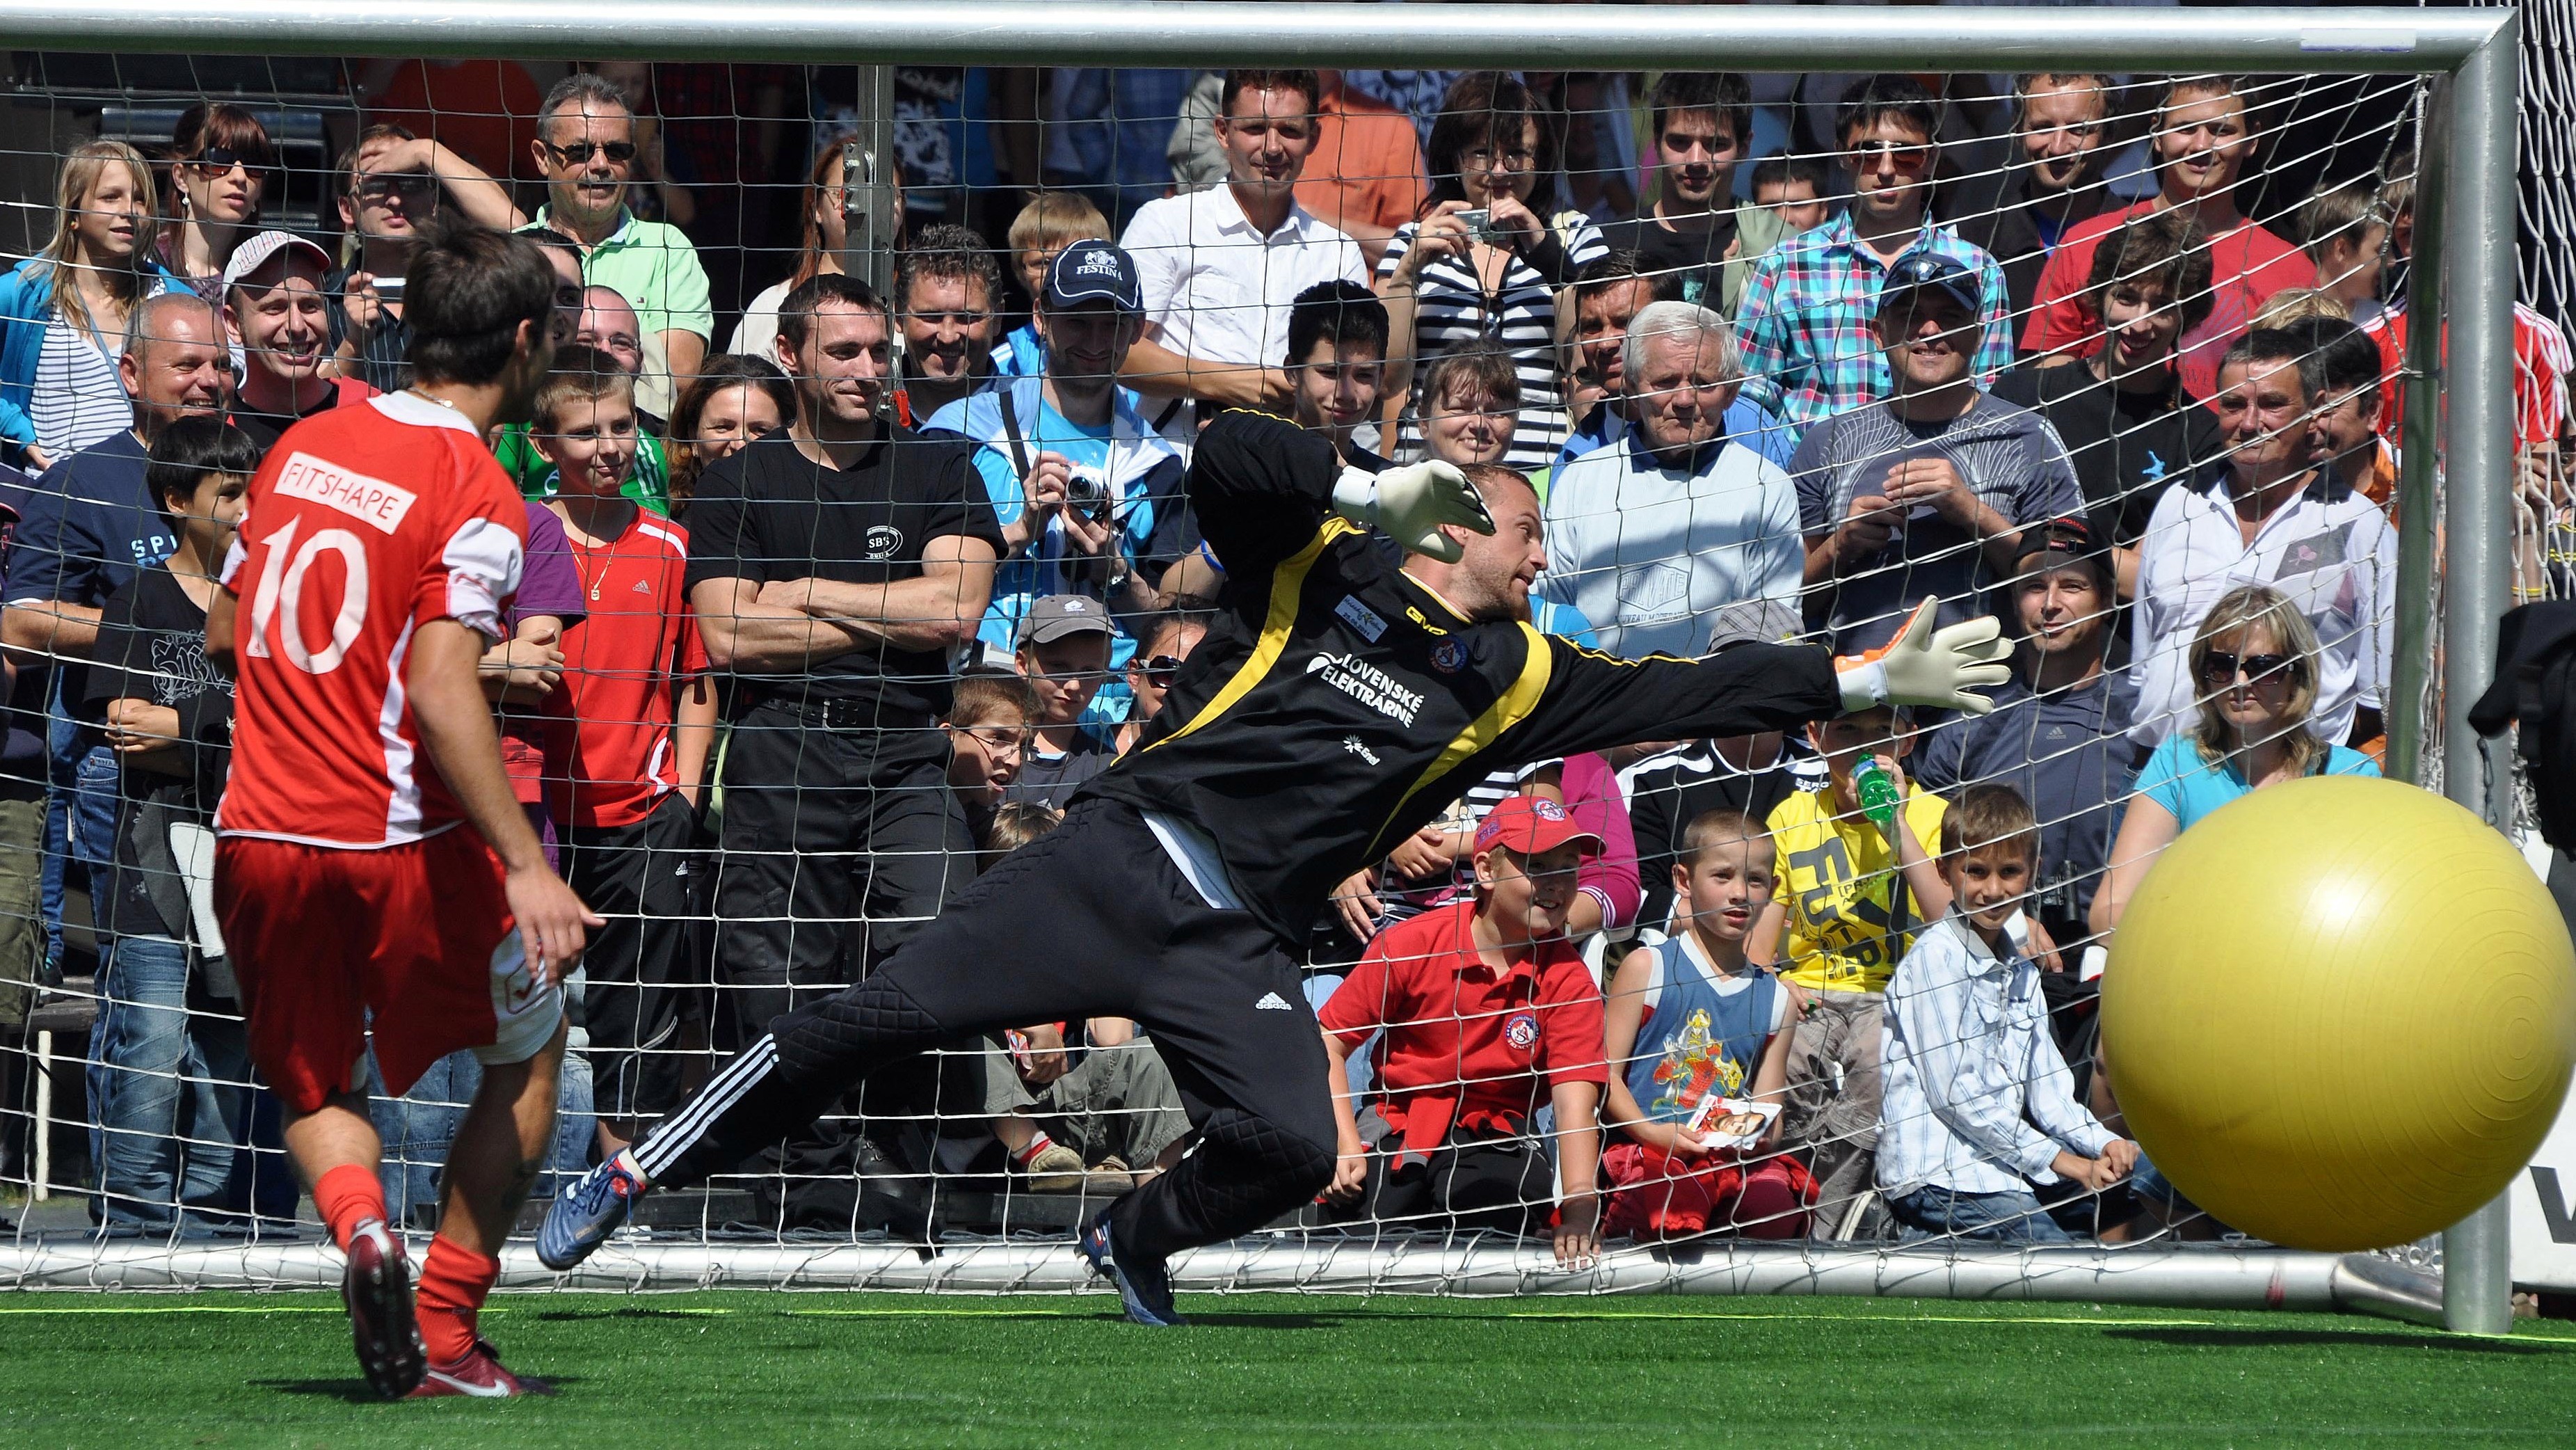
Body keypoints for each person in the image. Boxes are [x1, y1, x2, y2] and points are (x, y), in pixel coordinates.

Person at [537, 409, 2010, 1325]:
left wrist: (1874, 678)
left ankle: (1130, 1237)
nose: (1541, 556)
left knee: (1297, 1148)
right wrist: (1362, 490)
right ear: (1458, 528)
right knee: (864, 1022)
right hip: (1110, 857)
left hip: (1227, 935)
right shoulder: (1322, 566)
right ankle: (630, 1173)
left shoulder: (1517, 675)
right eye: (1524, 532)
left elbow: (1693, 695)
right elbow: (1229, 465)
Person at [205, 218, 598, 1398]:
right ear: (524, 341)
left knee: (318, 1081)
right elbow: (436, 682)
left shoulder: (302, 443)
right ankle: (444, 1325)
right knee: (528, 1054)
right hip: (393, 837)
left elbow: (227, 633)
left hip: (255, 828)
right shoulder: (473, 482)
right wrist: (524, 861)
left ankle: (362, 1229)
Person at [681, 272, 1002, 1218]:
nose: (870, 369)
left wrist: (808, 591)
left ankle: (913, 1166)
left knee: (935, 939)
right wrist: (888, 611)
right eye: (844, 352)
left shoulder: (941, 466)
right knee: (780, 971)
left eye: (877, 350)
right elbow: (730, 637)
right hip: (782, 746)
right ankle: (805, 1181)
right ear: (791, 358)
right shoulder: (741, 478)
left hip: (907, 749)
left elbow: (954, 609)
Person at [2, 290, 230, 972]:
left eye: (220, 365)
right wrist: (153, 624)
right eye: (187, 363)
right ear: (131, 374)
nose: (209, 380)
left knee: (238, 984)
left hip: (240, 746)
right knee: (144, 986)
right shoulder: (84, 481)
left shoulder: (260, 469)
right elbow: (20, 620)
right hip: (124, 761)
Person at [532, 351, 716, 1156]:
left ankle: (617, 1177)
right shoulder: (517, 535)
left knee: (635, 1002)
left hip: (640, 812)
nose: (607, 446)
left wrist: (685, 794)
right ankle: (523, 1165)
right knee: (525, 993)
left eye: (620, 426)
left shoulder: (671, 544)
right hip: (534, 807)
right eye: (584, 433)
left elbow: (696, 680)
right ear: (543, 445)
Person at [84, 416, 255, 1234]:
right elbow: (123, 728)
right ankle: (137, 1219)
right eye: (231, 494)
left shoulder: (269, 609)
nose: (248, 509)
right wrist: (224, 726)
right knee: (150, 1044)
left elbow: (288, 723)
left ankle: (217, 1221)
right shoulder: (139, 599)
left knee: (230, 1048)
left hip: (245, 862)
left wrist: (183, 728)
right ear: (176, 499)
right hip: (152, 866)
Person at [1316, 794, 1607, 1254]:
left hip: (1496, 1140)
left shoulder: (1568, 979)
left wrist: (1577, 1210)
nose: (1555, 885)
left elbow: (1575, 1106)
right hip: (1397, 1127)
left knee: (1497, 1212)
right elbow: (1326, 1041)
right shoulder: (1412, 942)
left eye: (1568, 868)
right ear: (1487, 871)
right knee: (1352, 1220)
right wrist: (1341, 1144)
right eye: (1537, 866)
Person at [1878, 784, 2134, 1243]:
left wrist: (2103, 1144)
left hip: (2005, 1166)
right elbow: (1957, 1098)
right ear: (1943, 871)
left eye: (2009, 871)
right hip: (1941, 1175)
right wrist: (2065, 1162)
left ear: (2033, 871)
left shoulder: (2019, 969)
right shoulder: (1935, 960)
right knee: (2057, 1256)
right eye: (1975, 872)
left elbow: (2051, 1093)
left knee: (2139, 1184)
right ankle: (1913, 1232)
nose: (1991, 890)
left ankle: (2105, 1297)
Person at [1795, 253, 2083, 654]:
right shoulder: (1827, 443)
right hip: (1856, 701)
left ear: (1979, 334)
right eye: (1911, 315)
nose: (1930, 331)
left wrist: (1971, 513)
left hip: (1986, 697)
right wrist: (1840, 547)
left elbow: (2070, 585)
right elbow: (1786, 604)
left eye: (1950, 316)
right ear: (1879, 333)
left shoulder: (2028, 436)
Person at [2127, 331, 2396, 754]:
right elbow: (2144, 666)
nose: (2250, 424)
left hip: (2292, 789)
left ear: (2314, 409)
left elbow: (2378, 695)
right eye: (2233, 404)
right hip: (2165, 775)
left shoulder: (2359, 525)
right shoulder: (2179, 505)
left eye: (2272, 404)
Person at [927, 241, 1188, 667]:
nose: (1096, 341)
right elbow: (919, 583)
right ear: (1041, 319)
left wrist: (1114, 570)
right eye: (1077, 322)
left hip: (1104, 706)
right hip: (987, 695)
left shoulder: (1158, 463)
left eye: (1114, 324)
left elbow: (1167, 629)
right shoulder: (961, 431)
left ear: (1138, 328)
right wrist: (1020, 530)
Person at [1750, 698, 1951, 1229]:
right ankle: (1783, 1196)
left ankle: (1831, 1218)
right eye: (1846, 732)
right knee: (1789, 1062)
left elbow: (1945, 923)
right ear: (1816, 737)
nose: (1863, 746)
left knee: (1877, 1065)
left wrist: (1897, 825)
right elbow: (1761, 938)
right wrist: (1772, 983)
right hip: (1810, 988)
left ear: (1907, 744)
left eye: (1880, 734)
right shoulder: (1792, 816)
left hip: (1895, 990)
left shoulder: (1931, 816)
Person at [1734, 75, 2013, 443]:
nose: (1885, 170)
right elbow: (1749, 398)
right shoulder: (1784, 267)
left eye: (1905, 153)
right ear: (1842, 156)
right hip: (1814, 481)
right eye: (1867, 153)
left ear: (1930, 159)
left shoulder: (1980, 272)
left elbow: (1989, 396)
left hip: (1939, 478)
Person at [2097, 584, 2382, 937]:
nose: (2241, 682)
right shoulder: (2176, 762)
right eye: (2222, 666)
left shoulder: (2349, 777)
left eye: (2264, 667)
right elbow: (2109, 910)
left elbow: (2366, 910)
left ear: (2299, 675)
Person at [1913, 518, 2136, 950]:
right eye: (2035, 587)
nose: (2051, 604)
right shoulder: (1975, 713)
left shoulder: (2144, 717)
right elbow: (1926, 847)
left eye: (2072, 586)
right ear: (2015, 601)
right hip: (1992, 948)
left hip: (2120, 955)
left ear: (2107, 599)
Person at [2022, 75, 2317, 399]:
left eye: (2222, 131)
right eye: (2186, 128)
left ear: (2252, 140)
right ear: (2157, 134)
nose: (2201, 145)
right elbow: (2051, 364)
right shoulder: (2086, 242)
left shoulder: (2290, 269)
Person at [1542, 301, 1800, 660]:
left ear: (1732, 391)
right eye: (1665, 382)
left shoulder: (1766, 487)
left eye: (1703, 383)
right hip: (1600, 702)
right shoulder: (1581, 481)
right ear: (1631, 387)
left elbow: (1771, 632)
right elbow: (1551, 614)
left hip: (1713, 704)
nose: (1683, 399)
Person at [1375, 72, 1607, 470]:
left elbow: (1587, 364)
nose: (1500, 171)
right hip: (1431, 468)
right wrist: (1407, 273)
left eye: (1516, 153)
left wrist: (1547, 255)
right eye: (1481, 153)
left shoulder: (1576, 237)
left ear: (1542, 160)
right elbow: (1387, 378)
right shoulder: (1413, 239)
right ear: (1455, 158)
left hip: (1540, 473)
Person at [1990, 209, 2221, 605]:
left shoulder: (2199, 435)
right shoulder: (2024, 396)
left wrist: (1987, 523)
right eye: (2127, 297)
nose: (2139, 323)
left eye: (2163, 306)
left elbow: (2148, 577)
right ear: (2100, 296)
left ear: (2189, 316)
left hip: (2119, 651)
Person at [1599, 808, 1809, 1241]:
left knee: (1773, 1206)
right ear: (1683, 880)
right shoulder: (1648, 967)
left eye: (1754, 880)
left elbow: (1772, 1112)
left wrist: (1746, 1135)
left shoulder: (1776, 999)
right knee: (1677, 1200)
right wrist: (1653, 1133)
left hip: (1728, 1157)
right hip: (1649, 1151)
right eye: (1722, 876)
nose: (1739, 893)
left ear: (1772, 890)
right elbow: (1605, 1075)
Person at [1121, 69, 1369, 412]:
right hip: (1178, 456)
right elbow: (1116, 352)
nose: (1272, 147)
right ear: (1223, 132)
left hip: (1294, 456)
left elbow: (1354, 377)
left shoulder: (1337, 253)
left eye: (1290, 131)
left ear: (1314, 137)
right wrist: (1228, 386)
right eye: (1255, 128)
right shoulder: (1166, 224)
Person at [523, 72, 712, 421]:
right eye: (580, 151)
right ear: (542, 157)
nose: (600, 165)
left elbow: (676, 377)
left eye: (616, 151)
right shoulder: (512, 251)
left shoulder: (668, 249)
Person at [1620, 599, 1809, 934]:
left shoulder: (1828, 774)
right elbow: (1633, 893)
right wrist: (1746, 928)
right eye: (1740, 667)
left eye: (1774, 669)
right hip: (1686, 963)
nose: (1756, 683)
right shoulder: (1652, 779)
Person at [0, 141, 174, 472]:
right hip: (54, 502)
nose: (129, 210)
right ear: (74, 212)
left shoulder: (171, 300)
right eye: (111, 197)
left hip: (145, 501)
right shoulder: (23, 293)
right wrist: (17, 431)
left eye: (140, 198)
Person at [328, 122, 527, 395]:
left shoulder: (462, 291)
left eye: (411, 181)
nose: (395, 200)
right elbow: (310, 403)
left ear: (433, 201)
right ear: (347, 209)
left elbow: (515, 227)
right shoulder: (321, 301)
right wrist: (352, 344)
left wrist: (427, 151)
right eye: (377, 184)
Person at [1553, 255, 1794, 479]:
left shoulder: (1749, 427)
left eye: (1626, 323)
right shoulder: (1575, 460)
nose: (1605, 343)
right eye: (1592, 326)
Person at [1594, 72, 1793, 318]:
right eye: (1680, 142)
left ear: (1744, 147)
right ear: (1656, 143)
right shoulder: (1607, 244)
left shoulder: (1782, 247)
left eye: (1716, 144)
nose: (1696, 160)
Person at [1942, 73, 2120, 316]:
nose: (2058, 147)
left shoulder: (2142, 235)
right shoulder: (1968, 243)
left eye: (2079, 130)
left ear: (2109, 135)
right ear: (2017, 129)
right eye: (2043, 128)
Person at [728, 138, 880, 362]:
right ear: (816, 208)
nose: (865, 208)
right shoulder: (773, 305)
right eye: (848, 194)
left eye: (884, 196)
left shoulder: (920, 309)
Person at [221, 232, 376, 450]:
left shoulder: (370, 410)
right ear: (234, 324)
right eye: (275, 308)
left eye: (309, 306)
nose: (297, 326)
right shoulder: (216, 435)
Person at [1005, 595, 1118, 809]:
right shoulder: (990, 750)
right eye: (1059, 666)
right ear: (1022, 664)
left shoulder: (1104, 766)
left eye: (1089, 671)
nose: (1073, 685)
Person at [155, 104, 278, 301]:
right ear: (181, 177)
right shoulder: (146, 267)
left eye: (254, 164)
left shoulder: (272, 276)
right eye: (218, 159)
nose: (239, 177)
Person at [992, 192, 1114, 381]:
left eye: (1072, 260)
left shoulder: (1121, 359)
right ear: (1020, 272)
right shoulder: (1002, 366)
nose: (1057, 274)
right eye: (1043, 263)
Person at [893, 223, 1004, 427]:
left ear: (997, 318)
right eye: (931, 317)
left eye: (967, 318)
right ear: (899, 316)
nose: (947, 336)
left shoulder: (1031, 415)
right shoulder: (867, 410)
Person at [2287, 314, 2396, 509]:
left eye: (2325, 407)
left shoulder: (2419, 497)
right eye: (2297, 408)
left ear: (2372, 408)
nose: (2309, 425)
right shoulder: (2250, 498)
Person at [1283, 279, 1391, 469]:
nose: (1346, 393)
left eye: (1364, 375)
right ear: (1292, 372)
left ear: (1381, 377)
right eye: (1330, 372)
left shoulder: (1384, 482)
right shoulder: (1252, 461)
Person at [666, 354, 792, 508]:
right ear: (693, 438)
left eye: (760, 430)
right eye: (723, 427)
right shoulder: (664, 522)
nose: (740, 444)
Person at [2296, 179, 2394, 327]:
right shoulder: (2288, 318)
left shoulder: (2385, 322)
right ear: (2342, 250)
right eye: (2381, 250)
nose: (2392, 262)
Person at [1113, 611, 1208, 756]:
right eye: (1168, 671)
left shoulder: (1213, 757)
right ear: (1135, 674)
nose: (1180, 689)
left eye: (1199, 677)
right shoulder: (1089, 729)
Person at [1750, 154, 1831, 237]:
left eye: (1798, 206)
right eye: (1772, 207)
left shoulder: (1841, 249)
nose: (1785, 219)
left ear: (1822, 211)